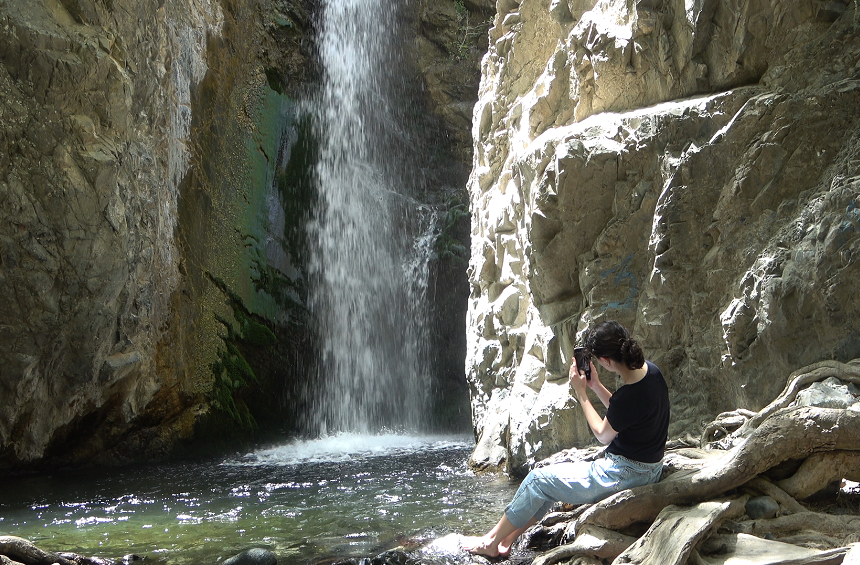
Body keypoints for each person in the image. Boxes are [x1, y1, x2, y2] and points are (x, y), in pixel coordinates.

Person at [462, 320, 670, 558]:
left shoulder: (627, 397)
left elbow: (603, 434)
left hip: (622, 475)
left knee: (537, 479)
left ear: (605, 361)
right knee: (546, 488)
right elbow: (623, 413)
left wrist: (581, 394)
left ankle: (490, 540)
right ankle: (506, 540)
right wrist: (596, 386)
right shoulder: (652, 372)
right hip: (650, 468)